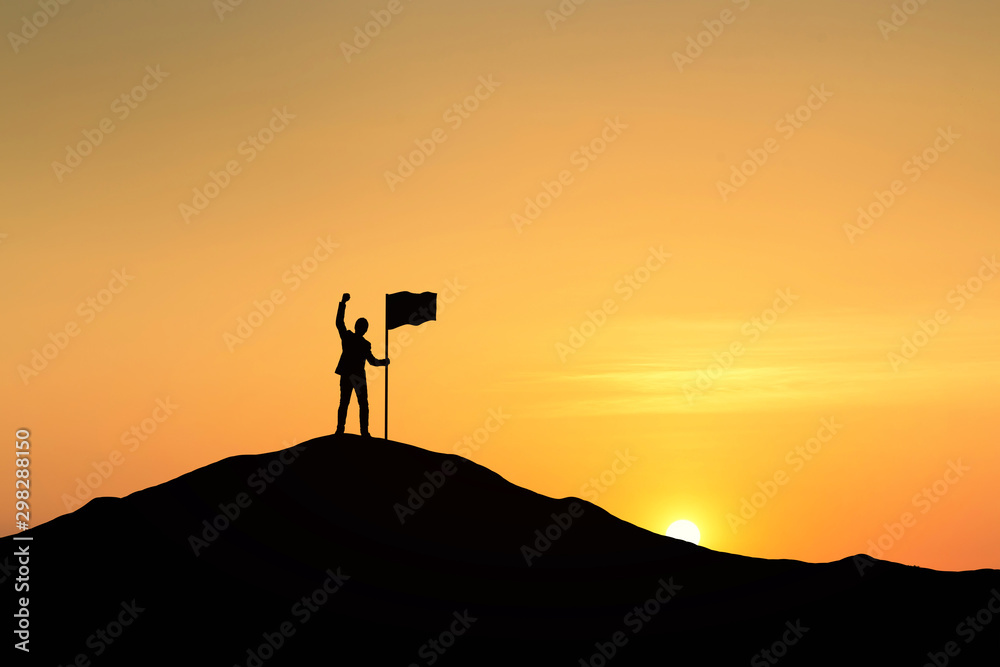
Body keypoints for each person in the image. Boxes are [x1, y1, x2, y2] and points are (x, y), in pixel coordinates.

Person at [335, 293, 388, 437]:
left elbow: (372, 361)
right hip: (351, 375)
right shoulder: (349, 337)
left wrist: (383, 362)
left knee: (360, 404)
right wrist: (342, 303)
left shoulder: (364, 344)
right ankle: (343, 429)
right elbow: (339, 322)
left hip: (356, 376)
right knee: (348, 403)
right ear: (361, 328)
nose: (363, 329)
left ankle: (361, 430)